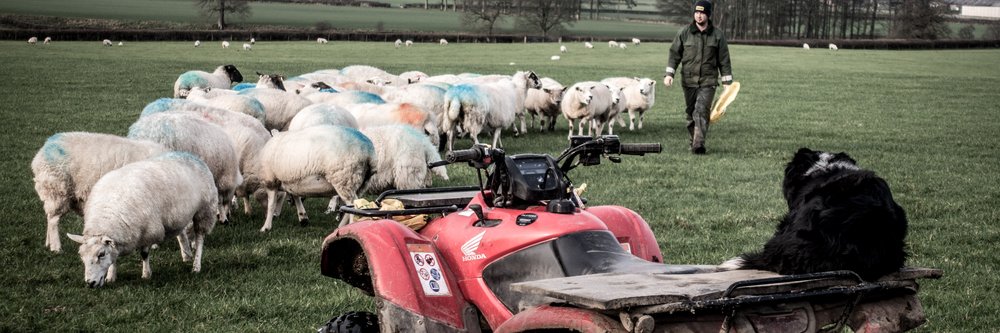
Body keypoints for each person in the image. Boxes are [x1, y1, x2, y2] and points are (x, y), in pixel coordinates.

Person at [663, 0, 733, 155]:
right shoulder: (684, 33)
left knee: (701, 110)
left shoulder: (717, 35)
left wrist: (727, 82)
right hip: (688, 81)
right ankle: (694, 139)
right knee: (690, 113)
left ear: (708, 15)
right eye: (696, 12)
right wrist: (669, 74)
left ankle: (698, 145)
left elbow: (724, 60)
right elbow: (674, 55)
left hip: (708, 82)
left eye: (702, 13)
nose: (699, 16)